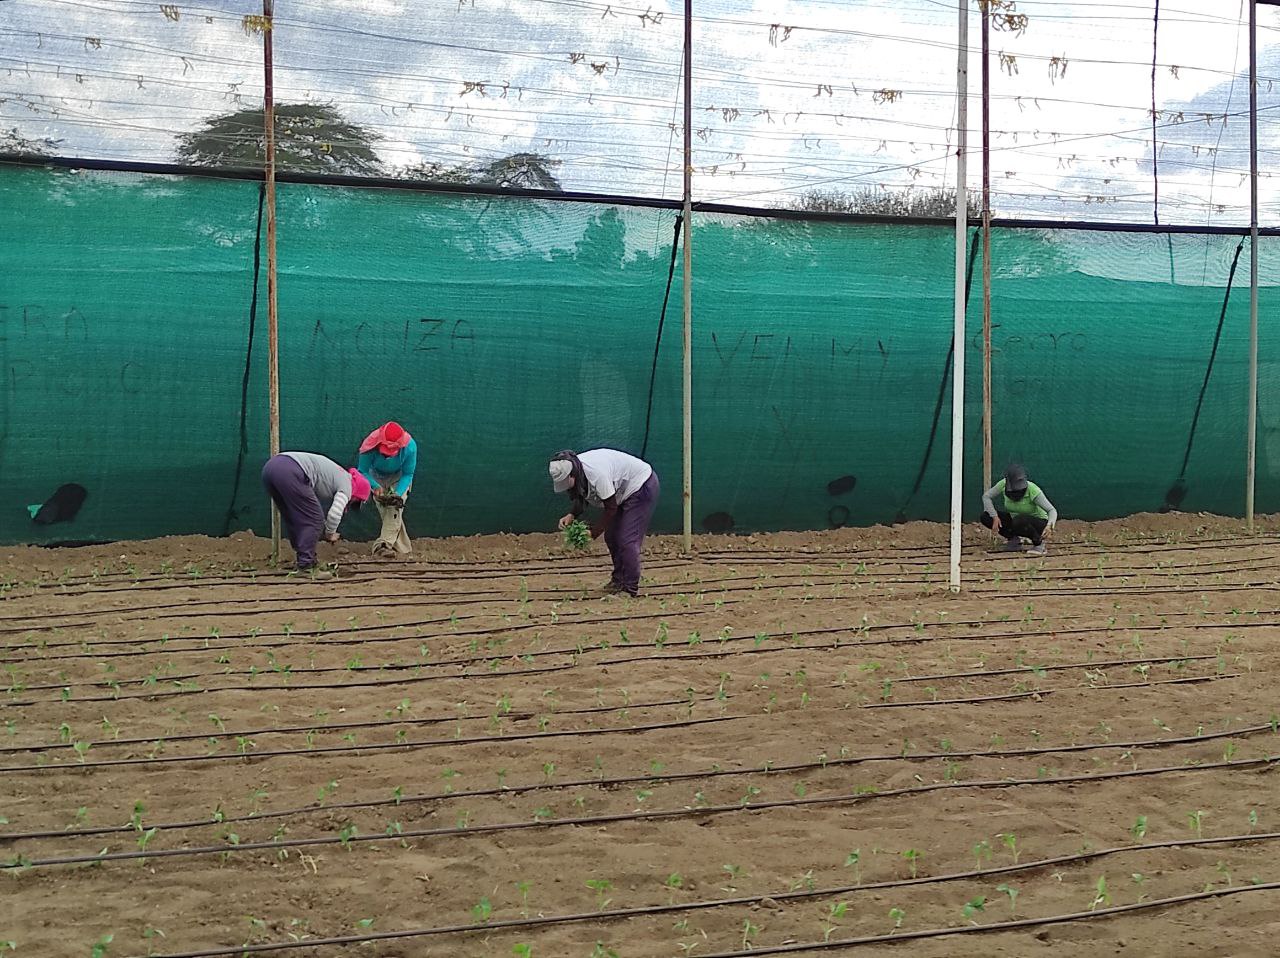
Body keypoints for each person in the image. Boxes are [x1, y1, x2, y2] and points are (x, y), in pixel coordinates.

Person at [549, 448, 660, 597]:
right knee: (611, 536)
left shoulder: (596, 473)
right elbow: (583, 493)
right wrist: (572, 515)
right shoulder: (578, 470)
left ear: (572, 473)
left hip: (641, 486)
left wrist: (593, 533)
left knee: (627, 540)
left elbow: (611, 508)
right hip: (622, 492)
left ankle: (630, 588)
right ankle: (618, 580)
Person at [261, 451, 371, 572]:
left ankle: (305, 558)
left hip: (271, 468)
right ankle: (306, 565)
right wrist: (330, 534)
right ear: (358, 494)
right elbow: (334, 514)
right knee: (315, 519)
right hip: (291, 470)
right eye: (356, 500)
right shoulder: (348, 486)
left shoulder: (341, 475)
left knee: (293, 516)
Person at [357, 421, 418, 556]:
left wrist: (398, 493)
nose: (388, 454)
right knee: (385, 510)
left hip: (399, 478)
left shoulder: (410, 447)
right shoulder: (369, 445)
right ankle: (404, 548)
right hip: (375, 477)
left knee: (394, 507)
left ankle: (383, 545)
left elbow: (408, 474)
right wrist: (375, 486)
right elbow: (362, 471)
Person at [980, 463, 1058, 557]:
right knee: (986, 517)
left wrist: (1049, 526)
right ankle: (1014, 540)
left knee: (1020, 520)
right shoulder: (1003, 484)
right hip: (1016, 520)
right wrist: (994, 516)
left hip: (1037, 523)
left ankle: (1039, 544)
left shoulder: (1033, 490)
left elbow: (1051, 510)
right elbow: (986, 496)